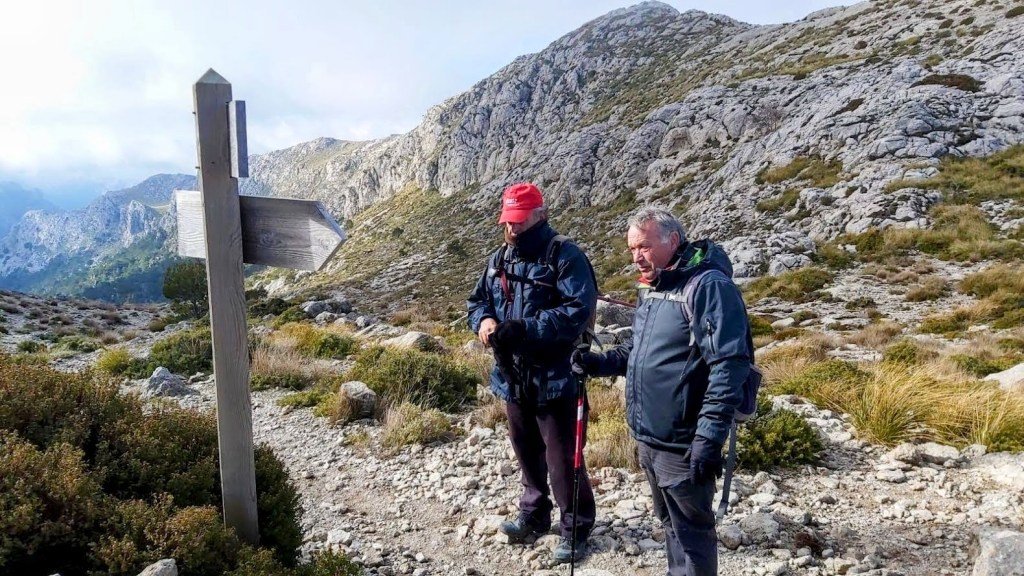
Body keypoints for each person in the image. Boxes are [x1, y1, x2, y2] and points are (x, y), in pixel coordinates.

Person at [572, 206, 753, 576]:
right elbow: (636, 350)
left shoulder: (708, 287)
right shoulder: (653, 288)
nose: (637, 256)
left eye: (645, 246)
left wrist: (708, 436)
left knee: (692, 532)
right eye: (632, 249)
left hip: (684, 440)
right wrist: (598, 363)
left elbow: (728, 365)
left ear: (673, 241)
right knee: (670, 524)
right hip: (649, 436)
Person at [466, 182, 598, 564]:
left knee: (564, 461)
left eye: (520, 221)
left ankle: (576, 530)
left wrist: (525, 329)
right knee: (526, 453)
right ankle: (534, 516)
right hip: (513, 378)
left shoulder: (566, 255)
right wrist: (485, 320)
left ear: (540, 215)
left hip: (557, 379)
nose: (512, 229)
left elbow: (577, 311)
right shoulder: (499, 258)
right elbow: (477, 301)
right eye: (508, 221)